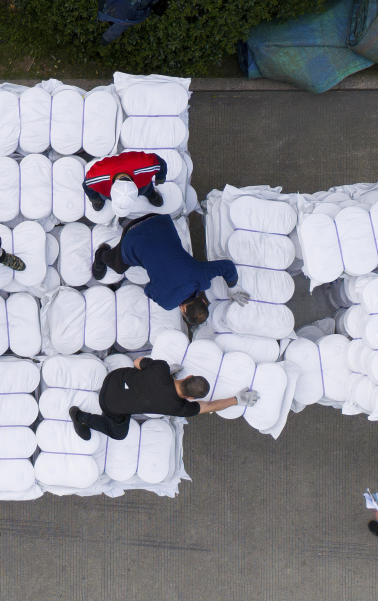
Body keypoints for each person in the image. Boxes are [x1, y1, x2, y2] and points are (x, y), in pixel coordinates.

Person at [90, 214, 248, 328]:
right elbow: (149, 291)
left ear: (203, 300)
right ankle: (102, 254)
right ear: (184, 309)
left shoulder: (201, 276)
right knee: (118, 266)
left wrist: (233, 287)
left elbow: (227, 266)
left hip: (160, 221)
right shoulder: (168, 302)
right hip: (134, 234)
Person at [69, 356, 258, 440]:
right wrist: (237, 400)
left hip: (113, 378)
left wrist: (157, 373)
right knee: (119, 433)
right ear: (190, 398)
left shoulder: (161, 368)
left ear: (188, 376)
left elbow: (137, 362)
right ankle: (80, 418)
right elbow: (208, 406)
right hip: (109, 405)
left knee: (136, 388)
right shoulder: (179, 408)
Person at [82, 151, 167, 212]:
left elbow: (161, 163)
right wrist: (95, 199)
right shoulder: (96, 176)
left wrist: (160, 177)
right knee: (102, 196)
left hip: (142, 184)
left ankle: (150, 193)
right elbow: (86, 185)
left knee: (146, 188)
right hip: (108, 185)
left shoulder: (146, 165)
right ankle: (100, 199)